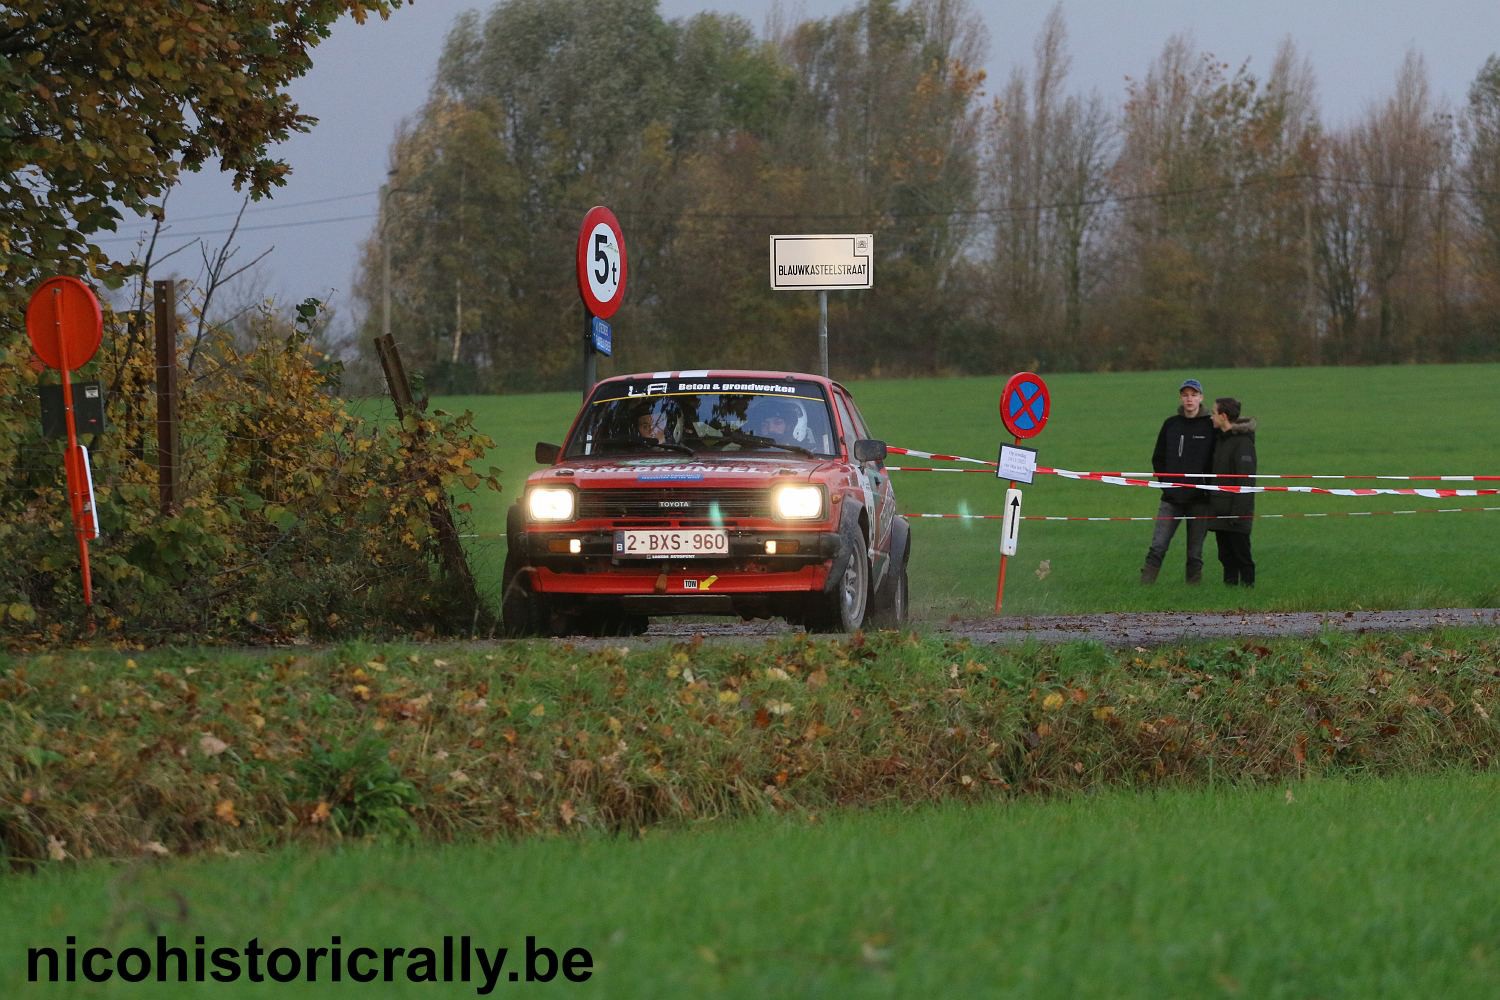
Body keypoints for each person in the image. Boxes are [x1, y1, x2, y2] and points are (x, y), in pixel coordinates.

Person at [1140, 378, 1215, 584]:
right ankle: (1144, 586)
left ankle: (1193, 593)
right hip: (1171, 499)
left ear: (1201, 398)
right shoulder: (1170, 424)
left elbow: (1216, 460)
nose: (1189, 399)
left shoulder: (1210, 426)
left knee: (1194, 552)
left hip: (1200, 500)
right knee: (1158, 546)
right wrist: (1166, 483)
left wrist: (1207, 490)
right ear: (1181, 398)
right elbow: (1158, 457)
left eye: (1193, 395)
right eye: (1185, 395)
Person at [1207, 396, 1257, 586]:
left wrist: (1238, 514)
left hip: (1236, 514)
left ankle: (1248, 590)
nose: (1211, 417)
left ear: (1224, 416)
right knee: (1225, 556)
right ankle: (1230, 591)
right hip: (1220, 510)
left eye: (1213, 413)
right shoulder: (1221, 440)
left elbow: (1245, 481)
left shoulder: (1243, 443)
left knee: (1242, 555)